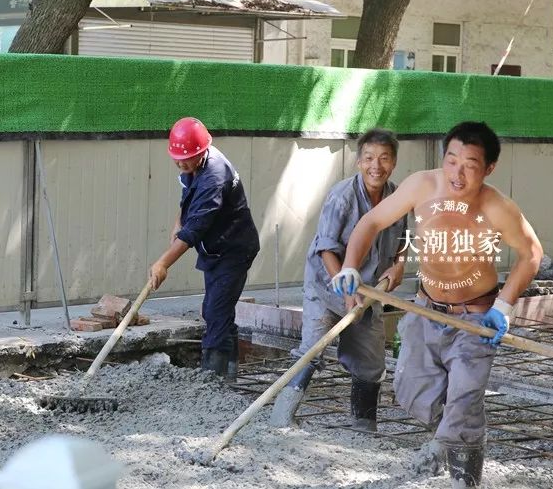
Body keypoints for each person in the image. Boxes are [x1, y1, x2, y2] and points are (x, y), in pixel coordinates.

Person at [332, 121, 542, 488]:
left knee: (465, 395)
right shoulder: (422, 185)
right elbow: (370, 223)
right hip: (426, 310)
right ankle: (458, 431)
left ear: (489, 168)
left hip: (476, 317)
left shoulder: (497, 206)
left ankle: (457, 464)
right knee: (413, 392)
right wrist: (350, 265)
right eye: (452, 160)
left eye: (470, 164)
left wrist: (504, 307)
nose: (458, 173)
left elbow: (531, 253)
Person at [270, 128, 407, 431]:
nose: (376, 166)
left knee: (371, 362)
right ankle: (281, 416)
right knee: (312, 350)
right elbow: (326, 249)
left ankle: (363, 426)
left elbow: (404, 243)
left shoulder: (398, 198)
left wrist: (399, 265)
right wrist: (345, 291)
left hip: (368, 291)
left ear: (394, 163)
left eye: (384, 159)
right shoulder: (342, 197)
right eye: (369, 158)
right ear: (359, 161)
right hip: (326, 285)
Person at [147, 117, 260, 381]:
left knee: (215, 311)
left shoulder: (214, 177)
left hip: (233, 249)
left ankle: (212, 380)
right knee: (218, 309)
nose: (180, 164)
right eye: (176, 158)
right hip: (216, 249)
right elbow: (189, 203)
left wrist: (163, 263)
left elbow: (195, 229)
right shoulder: (195, 164)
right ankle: (229, 375)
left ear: (201, 151)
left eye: (185, 159)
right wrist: (178, 222)